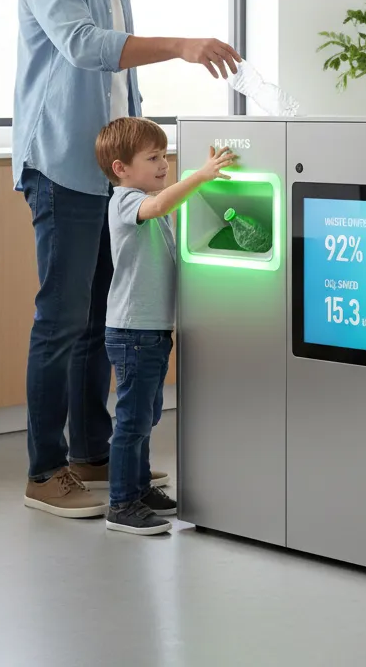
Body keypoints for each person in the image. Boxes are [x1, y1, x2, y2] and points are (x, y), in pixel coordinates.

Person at [15, 0, 240, 518]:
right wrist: (180, 45)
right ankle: (43, 470)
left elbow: (118, 76)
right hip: (61, 166)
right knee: (60, 322)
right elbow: (86, 46)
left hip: (108, 175)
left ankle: (92, 451)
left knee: (96, 322)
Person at [95, 118, 236, 535]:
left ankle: (138, 489)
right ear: (121, 168)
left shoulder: (150, 202)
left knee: (148, 414)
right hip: (132, 332)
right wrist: (201, 177)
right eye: (153, 158)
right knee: (133, 420)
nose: (163, 165)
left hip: (151, 331)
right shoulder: (126, 201)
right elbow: (159, 205)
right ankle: (121, 505)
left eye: (164, 156)